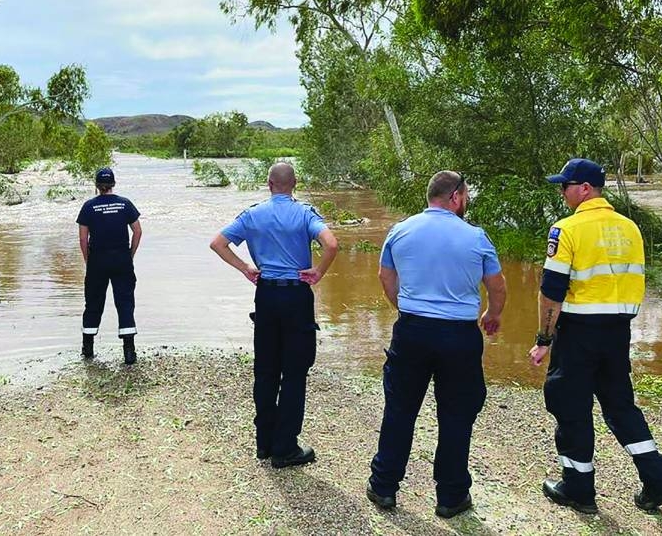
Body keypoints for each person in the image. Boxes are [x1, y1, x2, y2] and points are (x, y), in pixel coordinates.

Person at [529, 158, 662, 514]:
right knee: (620, 406)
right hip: (617, 333)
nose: (561, 192)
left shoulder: (566, 229)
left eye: (565, 186)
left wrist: (543, 339)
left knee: (571, 405)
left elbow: (552, 291)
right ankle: (658, 481)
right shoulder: (631, 228)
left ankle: (578, 488)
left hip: (579, 332)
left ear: (584, 189)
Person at [366, 170, 506, 518]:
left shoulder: (401, 230)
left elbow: (386, 276)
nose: (467, 200)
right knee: (456, 415)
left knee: (400, 410)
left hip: (412, 332)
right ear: (455, 197)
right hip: (459, 335)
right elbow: (497, 285)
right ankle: (451, 496)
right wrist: (492, 314)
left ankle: (384, 487)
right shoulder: (476, 236)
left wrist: (406, 308)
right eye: (467, 195)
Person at [210, 162, 338, 468]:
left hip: (265, 293)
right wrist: (318, 271)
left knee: (266, 369)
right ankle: (285, 448)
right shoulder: (305, 213)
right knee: (294, 372)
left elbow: (217, 243)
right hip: (296, 294)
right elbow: (332, 244)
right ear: (294, 183)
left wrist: (245, 268)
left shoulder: (253, 214)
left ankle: (264, 443)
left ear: (269, 184)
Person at [76, 166, 142, 365]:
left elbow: (82, 238)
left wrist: (88, 260)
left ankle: (88, 349)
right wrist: (130, 255)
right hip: (122, 260)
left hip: (97, 261)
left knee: (93, 303)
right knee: (125, 302)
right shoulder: (125, 204)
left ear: (97, 186)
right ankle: (129, 353)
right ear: (113, 184)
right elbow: (138, 231)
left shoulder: (88, 207)